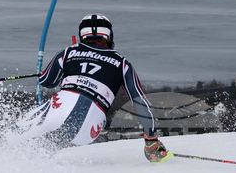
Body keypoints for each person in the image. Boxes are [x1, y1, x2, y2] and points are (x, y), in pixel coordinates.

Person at [12, 13, 171, 163]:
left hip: (62, 108)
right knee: (52, 141)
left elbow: (46, 81)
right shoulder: (122, 64)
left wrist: (63, 69)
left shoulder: (68, 52)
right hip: (90, 128)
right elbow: (141, 103)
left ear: (82, 34)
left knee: (17, 134)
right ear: (109, 35)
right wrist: (151, 140)